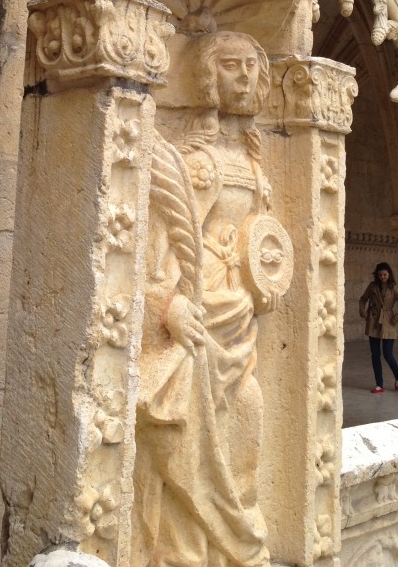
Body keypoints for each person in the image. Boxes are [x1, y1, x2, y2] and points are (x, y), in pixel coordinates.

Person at [133, 30, 288, 567]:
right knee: (186, 432)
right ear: (206, 76)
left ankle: (232, 545)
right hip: (198, 314)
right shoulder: (195, 164)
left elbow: (263, 244)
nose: (245, 76)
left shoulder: (255, 165)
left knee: (246, 411)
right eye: (231, 66)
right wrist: (169, 305)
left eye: (252, 66)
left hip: (239, 318)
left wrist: (265, 280)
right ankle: (183, 552)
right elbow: (161, 251)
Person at [359, 262, 398, 394]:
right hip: (374, 321)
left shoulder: (393, 288)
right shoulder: (372, 286)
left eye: (385, 274)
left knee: (387, 354)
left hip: (388, 322)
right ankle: (379, 384)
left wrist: (396, 318)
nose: (382, 277)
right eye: (380, 275)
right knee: (375, 355)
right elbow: (363, 299)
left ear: (389, 274)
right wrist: (363, 311)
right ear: (377, 275)